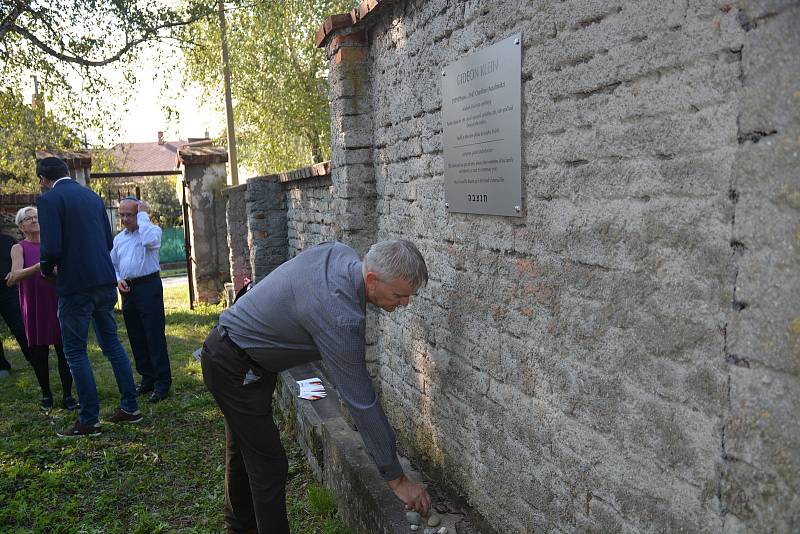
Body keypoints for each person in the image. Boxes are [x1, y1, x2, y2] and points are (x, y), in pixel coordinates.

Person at [201, 239, 432, 534]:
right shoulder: (341, 317)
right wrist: (397, 479)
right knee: (269, 466)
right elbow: (361, 402)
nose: (405, 304)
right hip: (233, 367)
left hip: (238, 355)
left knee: (244, 449)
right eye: (399, 295)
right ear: (372, 279)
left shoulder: (341, 253)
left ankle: (238, 527)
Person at [36, 156, 142, 437]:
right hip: (104, 280)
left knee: (75, 351)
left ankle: (89, 419)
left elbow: (52, 247)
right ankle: (130, 408)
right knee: (112, 344)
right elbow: (107, 241)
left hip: (74, 285)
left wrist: (47, 270)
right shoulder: (92, 198)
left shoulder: (49, 200)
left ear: (44, 179)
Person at [6, 206, 77, 410]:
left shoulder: (52, 244)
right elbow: (14, 276)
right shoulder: (18, 248)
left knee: (64, 350)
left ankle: (67, 395)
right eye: (29, 218)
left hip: (57, 300)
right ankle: (46, 394)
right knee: (39, 353)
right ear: (21, 226)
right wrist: (38, 267)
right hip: (35, 304)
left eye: (37, 217)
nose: (35, 220)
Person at [110, 197, 171, 403]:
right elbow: (114, 265)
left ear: (139, 214)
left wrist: (144, 215)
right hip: (128, 290)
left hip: (148, 286)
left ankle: (162, 382)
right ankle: (148, 378)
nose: (125, 219)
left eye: (130, 214)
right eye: (122, 215)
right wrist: (118, 280)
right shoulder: (119, 239)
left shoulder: (152, 230)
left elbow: (149, 242)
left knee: (153, 334)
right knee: (136, 335)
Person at [0, 232, 30, 379]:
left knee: (19, 325)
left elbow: (20, 260)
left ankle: (34, 358)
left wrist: (15, 273)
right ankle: (1, 366)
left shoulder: (8, 240)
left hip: (8, 290)